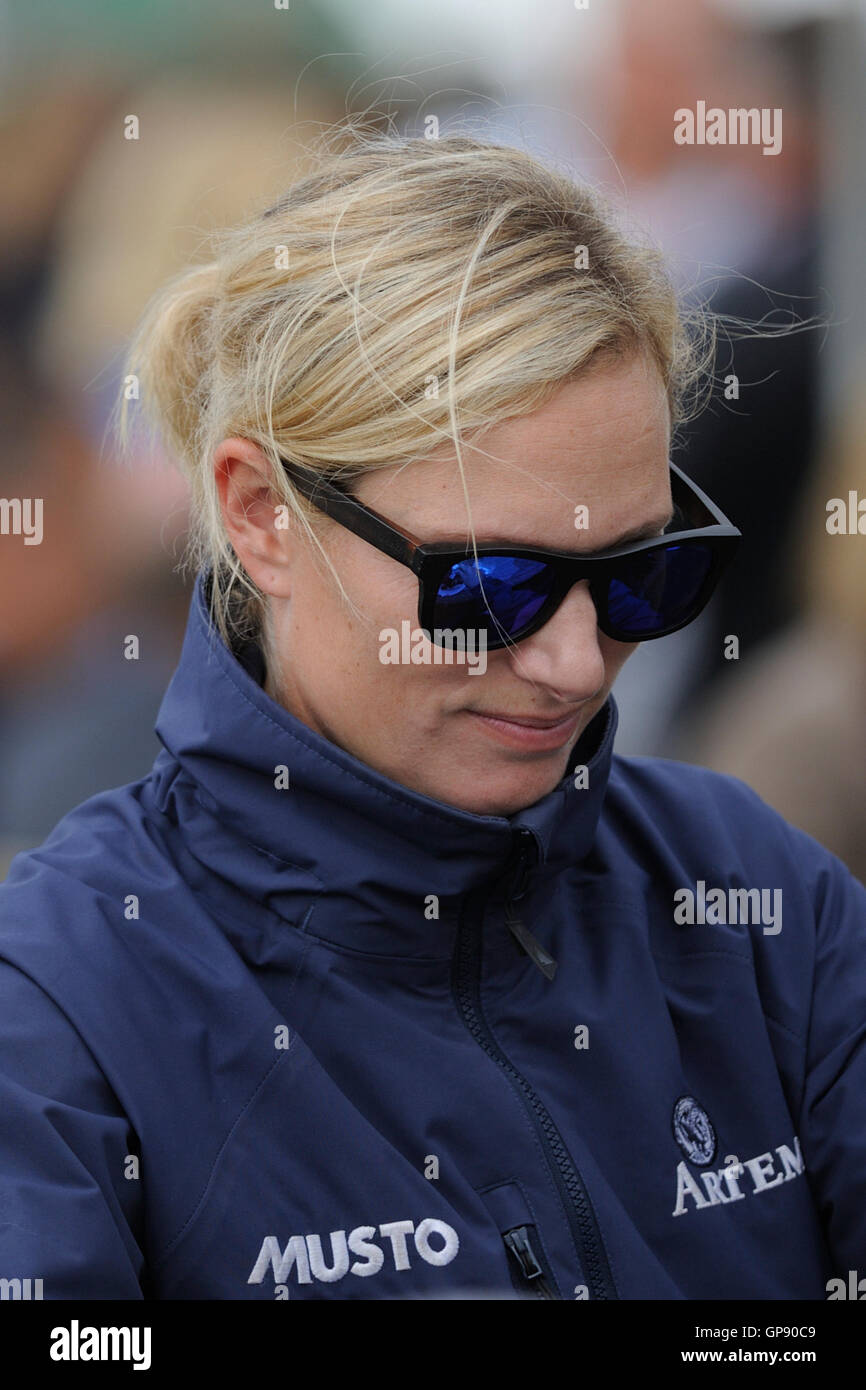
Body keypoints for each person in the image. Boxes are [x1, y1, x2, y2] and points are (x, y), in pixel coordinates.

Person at [0, 131, 862, 1301]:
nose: (571, 661)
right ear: (258, 514)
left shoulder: (757, 899)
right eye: (488, 588)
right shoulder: (59, 1002)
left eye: (640, 576)